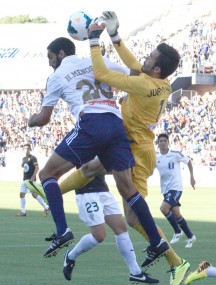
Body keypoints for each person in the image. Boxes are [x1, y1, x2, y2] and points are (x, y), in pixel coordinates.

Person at [26, 13, 189, 285]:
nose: (145, 59)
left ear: (158, 70)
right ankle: (49, 192)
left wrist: (95, 42)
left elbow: (104, 73)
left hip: (135, 148)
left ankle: (175, 261)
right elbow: (134, 66)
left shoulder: (143, 83)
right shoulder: (157, 82)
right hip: (123, 135)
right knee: (89, 169)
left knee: (132, 216)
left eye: (150, 57)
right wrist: (116, 38)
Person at [27, 37, 168, 261]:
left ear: (61, 54)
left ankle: (62, 230)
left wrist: (31, 121)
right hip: (116, 124)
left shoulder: (55, 77)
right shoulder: (97, 62)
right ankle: (157, 240)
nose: (49, 62)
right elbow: (134, 73)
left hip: (91, 123)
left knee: (46, 174)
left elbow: (44, 118)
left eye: (51, 57)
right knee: (128, 190)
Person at [62, 174, 158, 284]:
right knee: (99, 235)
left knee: (121, 229)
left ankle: (135, 272)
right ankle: (70, 256)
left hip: (103, 190)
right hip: (87, 192)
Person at [155, 133, 196, 248]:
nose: (162, 143)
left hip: (176, 187)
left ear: (168, 142)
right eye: (160, 141)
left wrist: (192, 177)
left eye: (164, 140)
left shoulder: (175, 154)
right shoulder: (156, 157)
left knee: (163, 208)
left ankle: (177, 232)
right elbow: (149, 170)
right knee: (176, 213)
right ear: (158, 144)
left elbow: (188, 162)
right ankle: (190, 236)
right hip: (165, 189)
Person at [16, 143, 49, 217]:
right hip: (24, 180)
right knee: (22, 194)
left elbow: (37, 167)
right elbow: (24, 168)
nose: (26, 150)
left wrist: (33, 176)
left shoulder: (33, 158)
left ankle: (46, 207)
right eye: (25, 148)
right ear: (23, 149)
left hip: (30, 180)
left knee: (34, 194)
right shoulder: (23, 159)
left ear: (30, 149)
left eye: (28, 148)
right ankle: (23, 212)